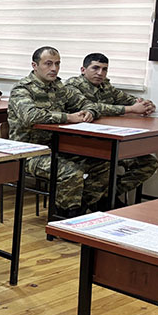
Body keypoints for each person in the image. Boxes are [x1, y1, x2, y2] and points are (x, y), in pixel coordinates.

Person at [8, 46, 108, 217]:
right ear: (35, 65)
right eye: (48, 64)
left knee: (104, 164)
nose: (54, 69)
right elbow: (30, 116)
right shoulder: (22, 89)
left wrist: (89, 112)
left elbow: (88, 103)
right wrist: (68, 117)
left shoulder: (59, 87)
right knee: (71, 171)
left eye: (57, 64)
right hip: (29, 151)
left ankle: (82, 206)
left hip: (59, 148)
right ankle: (64, 216)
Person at [65, 52, 158, 203]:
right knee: (106, 165)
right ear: (83, 70)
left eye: (104, 69)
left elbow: (128, 99)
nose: (100, 73)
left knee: (148, 163)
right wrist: (132, 109)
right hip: (83, 144)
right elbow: (94, 107)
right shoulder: (72, 86)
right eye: (95, 68)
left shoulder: (105, 86)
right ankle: (90, 201)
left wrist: (145, 104)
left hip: (108, 141)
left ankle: (106, 197)